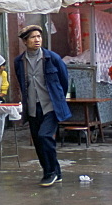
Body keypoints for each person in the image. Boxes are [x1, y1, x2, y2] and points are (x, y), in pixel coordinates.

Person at [13, 25, 71, 187]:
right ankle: (55, 172)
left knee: (45, 136)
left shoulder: (52, 58)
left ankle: (50, 173)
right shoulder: (19, 62)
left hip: (51, 106)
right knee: (38, 141)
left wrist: (58, 99)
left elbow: (64, 81)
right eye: (33, 37)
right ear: (25, 41)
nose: (37, 40)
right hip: (32, 106)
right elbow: (22, 83)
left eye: (39, 36)